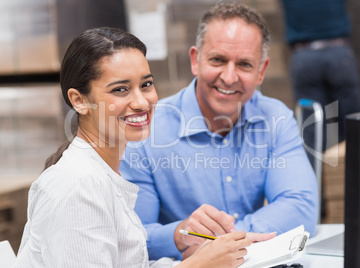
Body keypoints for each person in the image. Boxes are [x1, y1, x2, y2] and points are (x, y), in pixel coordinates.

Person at [14, 26, 270, 267]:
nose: (141, 102)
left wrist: (201, 255)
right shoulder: (78, 187)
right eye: (121, 89)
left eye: (146, 85)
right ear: (79, 101)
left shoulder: (105, 174)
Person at [120, 2, 318, 261]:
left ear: (261, 72)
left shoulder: (276, 117)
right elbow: (133, 239)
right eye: (218, 60)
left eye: (245, 64)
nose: (229, 76)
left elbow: (301, 207)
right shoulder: (146, 131)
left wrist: (222, 243)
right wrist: (179, 234)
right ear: (195, 60)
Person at [281, 0, 360, 153]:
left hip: (304, 56)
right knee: (353, 124)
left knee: (312, 128)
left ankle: (315, 175)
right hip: (338, 54)